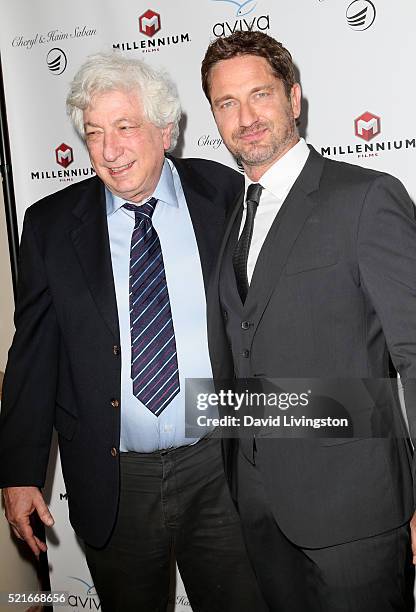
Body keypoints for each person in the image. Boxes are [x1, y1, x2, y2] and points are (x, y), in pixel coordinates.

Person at [0, 52, 267, 612]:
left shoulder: (224, 194)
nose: (109, 150)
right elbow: (33, 355)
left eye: (125, 127)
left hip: (218, 464)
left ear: (166, 130)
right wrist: (20, 472)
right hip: (114, 476)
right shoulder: (50, 225)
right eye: (94, 133)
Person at [201, 30, 416, 611]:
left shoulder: (365, 197)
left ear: (294, 98)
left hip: (355, 510)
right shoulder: (232, 215)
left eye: (260, 94)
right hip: (257, 505)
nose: (246, 116)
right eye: (226, 103)